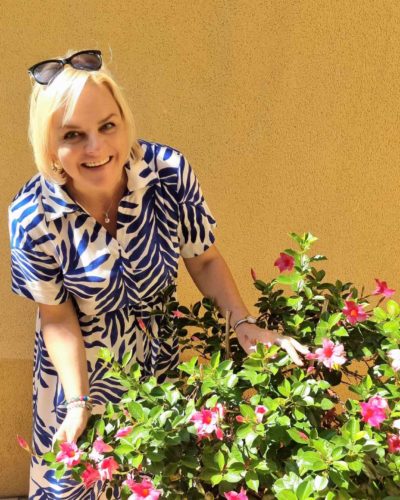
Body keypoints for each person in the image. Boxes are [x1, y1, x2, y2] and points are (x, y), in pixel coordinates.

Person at [9, 49, 309, 499]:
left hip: (157, 367)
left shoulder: (168, 174)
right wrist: (77, 402)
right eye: (73, 135)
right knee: (77, 485)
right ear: (49, 144)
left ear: (124, 122)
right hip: (77, 376)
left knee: (155, 482)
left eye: (107, 126)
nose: (96, 148)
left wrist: (243, 322)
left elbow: (204, 259)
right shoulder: (31, 216)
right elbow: (56, 316)